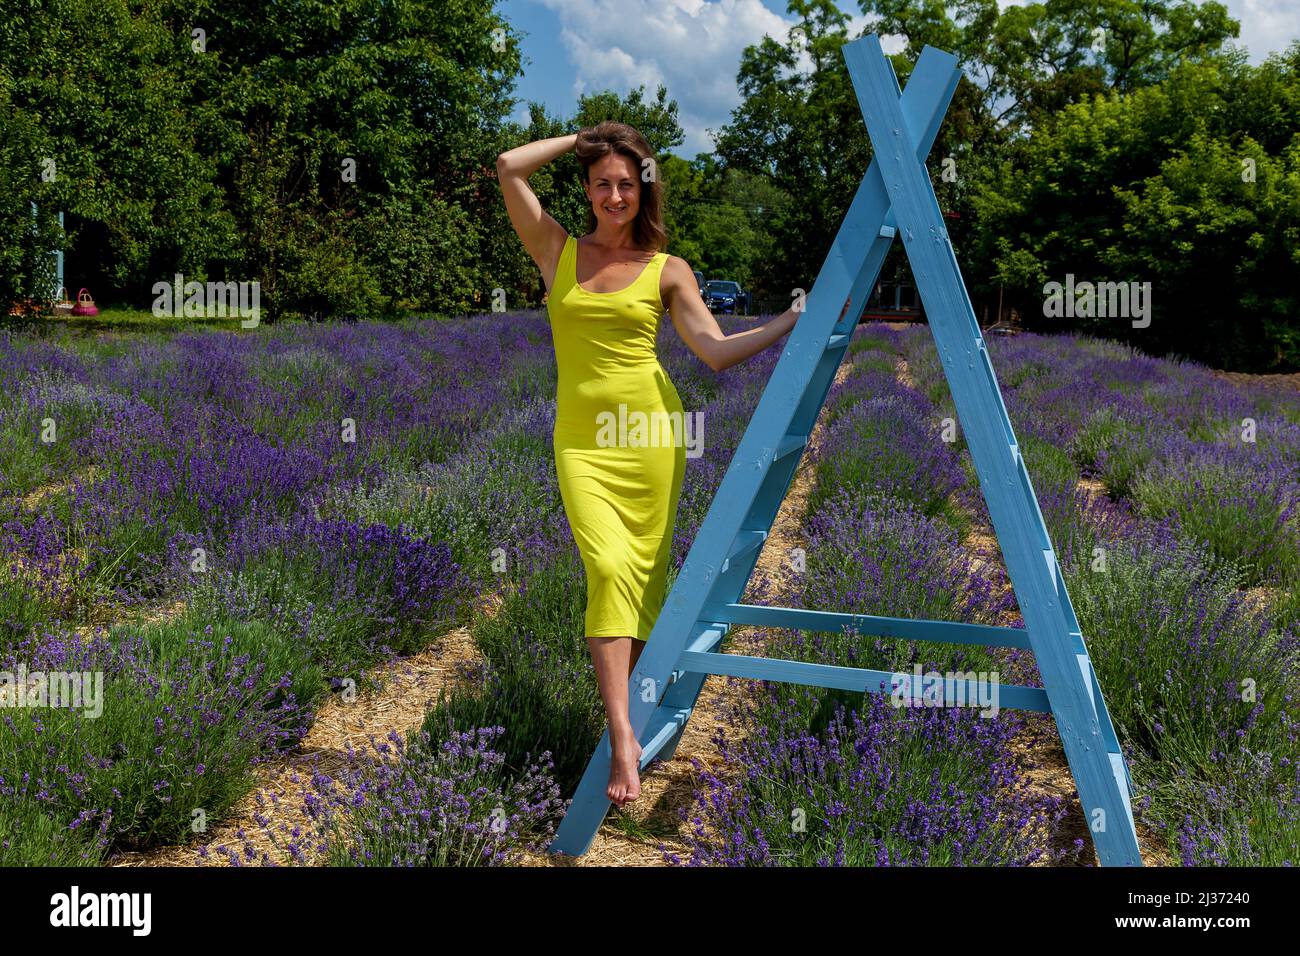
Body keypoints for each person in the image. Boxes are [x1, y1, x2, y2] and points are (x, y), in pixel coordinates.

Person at [496, 121, 850, 809]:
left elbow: (714, 352)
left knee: (644, 580)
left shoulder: (669, 269)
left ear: (644, 190)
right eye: (603, 183)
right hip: (582, 444)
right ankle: (624, 734)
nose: (615, 194)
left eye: (628, 183)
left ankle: (636, 717)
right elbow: (510, 167)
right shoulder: (558, 252)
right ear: (589, 188)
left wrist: (787, 323)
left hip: (650, 438)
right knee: (606, 569)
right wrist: (584, 139)